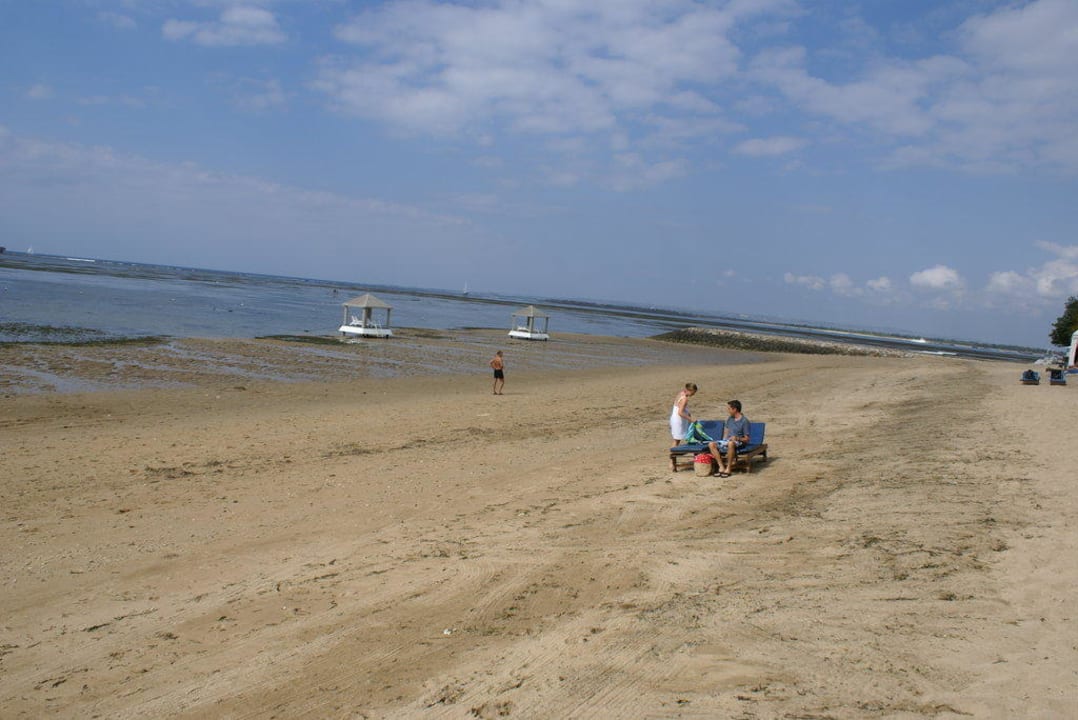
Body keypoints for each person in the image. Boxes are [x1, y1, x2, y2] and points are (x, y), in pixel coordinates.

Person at [709, 399, 750, 478]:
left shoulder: (744, 421)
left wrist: (737, 438)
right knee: (711, 444)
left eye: (729, 409)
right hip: (728, 440)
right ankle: (721, 467)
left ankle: (728, 468)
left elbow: (747, 439)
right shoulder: (730, 419)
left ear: (735, 409)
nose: (728, 410)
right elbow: (726, 432)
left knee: (731, 443)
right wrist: (723, 442)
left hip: (738, 441)